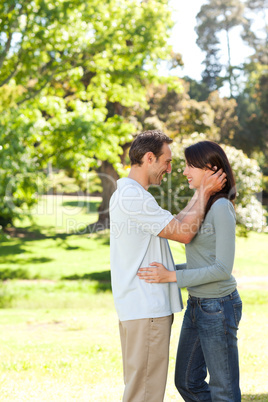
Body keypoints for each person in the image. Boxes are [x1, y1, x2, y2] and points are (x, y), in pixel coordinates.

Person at [109, 131, 226, 402]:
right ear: (149, 158)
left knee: (139, 387)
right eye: (167, 161)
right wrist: (205, 190)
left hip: (139, 308)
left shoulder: (132, 195)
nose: (171, 169)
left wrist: (200, 193)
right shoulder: (133, 198)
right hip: (146, 307)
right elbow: (184, 232)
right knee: (145, 394)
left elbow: (176, 220)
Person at [138, 140, 242, 402]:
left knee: (224, 389)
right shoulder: (204, 205)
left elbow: (221, 269)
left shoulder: (221, 208)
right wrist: (164, 272)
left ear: (210, 169)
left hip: (218, 306)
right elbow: (182, 234)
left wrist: (171, 276)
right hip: (197, 305)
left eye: (189, 165)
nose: (183, 171)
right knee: (186, 380)